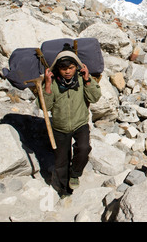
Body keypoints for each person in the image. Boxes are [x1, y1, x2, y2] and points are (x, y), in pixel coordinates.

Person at [40, 43, 101, 197]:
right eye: (63, 68)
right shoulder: (52, 82)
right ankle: (64, 191)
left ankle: (75, 173)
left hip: (80, 123)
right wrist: (47, 85)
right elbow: (45, 107)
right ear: (57, 69)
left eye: (71, 67)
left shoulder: (82, 79)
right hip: (60, 126)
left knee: (84, 149)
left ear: (76, 67)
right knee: (61, 162)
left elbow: (94, 97)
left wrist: (87, 80)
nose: (67, 72)